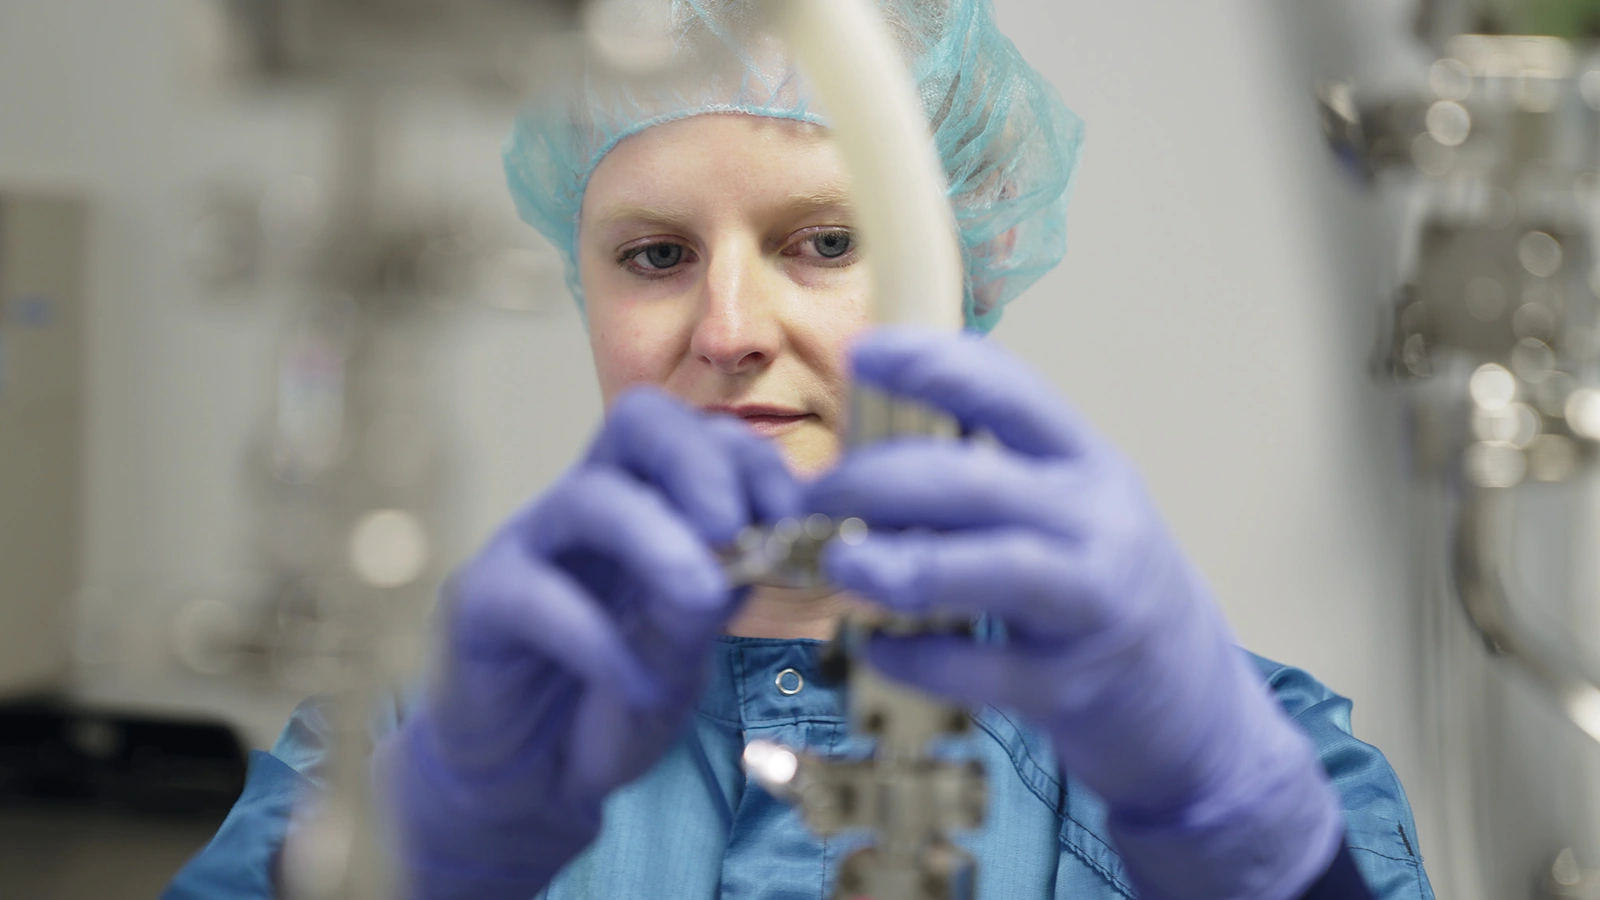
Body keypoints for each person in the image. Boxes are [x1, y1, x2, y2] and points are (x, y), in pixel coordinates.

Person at [164, 2, 1435, 899]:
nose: (729, 330)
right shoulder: (425, 734)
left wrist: (1257, 852)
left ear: (965, 267)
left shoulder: (1234, 750)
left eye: (823, 242)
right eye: (655, 255)